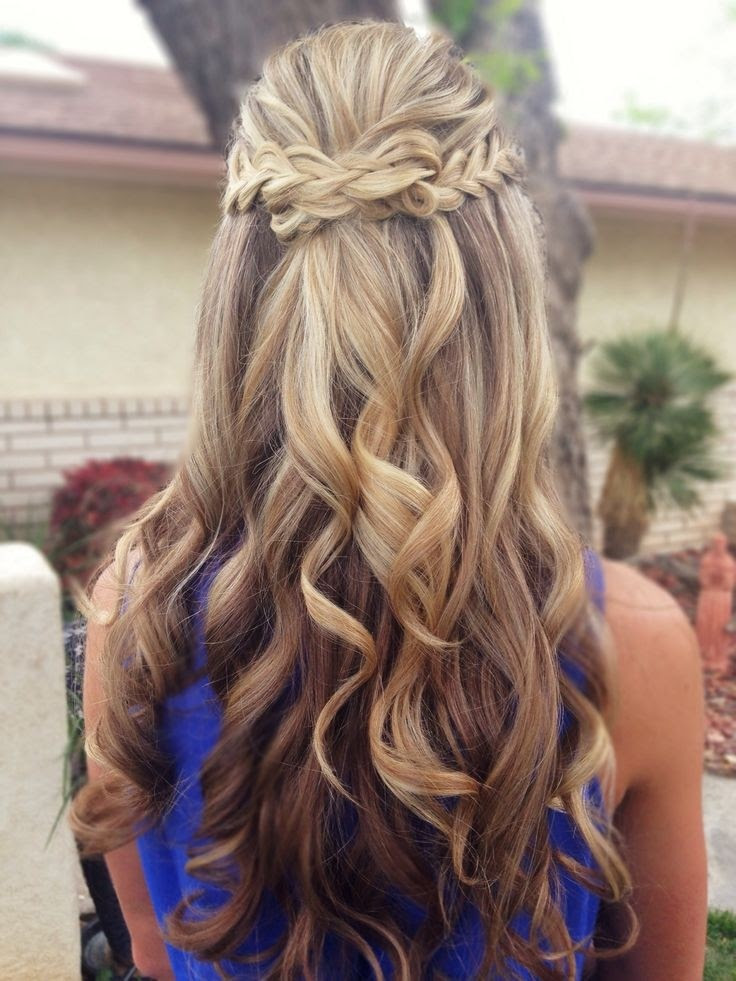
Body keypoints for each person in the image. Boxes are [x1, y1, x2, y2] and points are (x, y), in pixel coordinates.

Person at [70, 19, 707, 980]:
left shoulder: (139, 611)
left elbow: (157, 955)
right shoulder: (631, 645)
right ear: (505, 315)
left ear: (236, 303)